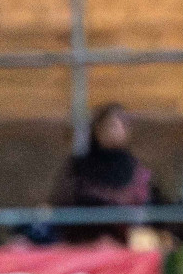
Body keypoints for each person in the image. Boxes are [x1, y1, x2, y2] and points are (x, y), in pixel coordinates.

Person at [51, 104, 164, 244]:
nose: (116, 130)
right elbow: (65, 207)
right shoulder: (79, 167)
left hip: (128, 245)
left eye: (121, 125)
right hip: (84, 244)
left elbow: (154, 210)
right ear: (97, 129)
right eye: (110, 125)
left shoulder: (138, 171)